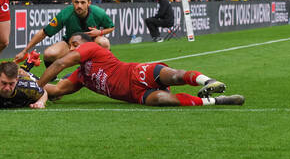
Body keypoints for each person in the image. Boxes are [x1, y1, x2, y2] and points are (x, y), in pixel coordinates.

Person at [38, 33, 245, 107]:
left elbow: (58, 64)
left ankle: (207, 82)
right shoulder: (81, 76)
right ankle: (216, 101)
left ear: (84, 43)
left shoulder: (91, 47)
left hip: (137, 72)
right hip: (135, 95)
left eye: (75, 44)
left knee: (175, 76)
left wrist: (36, 86)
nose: (73, 48)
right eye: (71, 45)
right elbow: (55, 90)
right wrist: (27, 81)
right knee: (165, 101)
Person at [15, 0, 115, 69]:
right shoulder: (66, 13)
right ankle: (52, 75)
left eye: (83, 2)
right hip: (70, 44)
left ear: (89, 3)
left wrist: (100, 32)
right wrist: (25, 51)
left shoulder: (99, 12)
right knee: (49, 54)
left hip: (91, 43)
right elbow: (44, 32)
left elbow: (111, 27)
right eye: (76, 2)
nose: (79, 6)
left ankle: (107, 68)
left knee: (103, 42)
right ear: (72, 2)